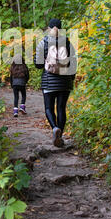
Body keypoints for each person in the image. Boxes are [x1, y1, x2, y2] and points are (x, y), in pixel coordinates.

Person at [34, 18, 77, 147]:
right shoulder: (68, 43)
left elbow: (38, 65)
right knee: (61, 108)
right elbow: (73, 63)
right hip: (65, 82)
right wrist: (71, 78)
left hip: (49, 81)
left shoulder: (43, 43)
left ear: (49, 28)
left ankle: (54, 129)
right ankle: (60, 136)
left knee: (48, 108)